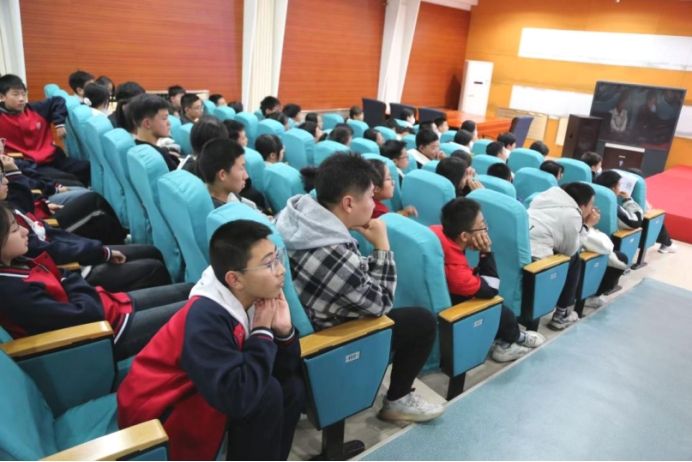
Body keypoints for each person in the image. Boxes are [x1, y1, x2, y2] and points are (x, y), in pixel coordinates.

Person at [275, 153, 444, 423]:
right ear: (348, 203)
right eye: (370, 197)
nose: (373, 204)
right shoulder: (331, 252)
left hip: (312, 306)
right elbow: (381, 304)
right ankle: (398, 400)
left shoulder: (299, 212)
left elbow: (350, 270)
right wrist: (382, 246)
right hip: (331, 337)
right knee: (421, 322)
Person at [117, 220, 306, 460]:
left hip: (208, 385)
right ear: (234, 279)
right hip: (160, 411)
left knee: (292, 389)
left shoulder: (254, 296)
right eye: (269, 264)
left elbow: (284, 368)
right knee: (267, 395)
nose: (281, 270)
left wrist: (283, 331)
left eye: (277, 258)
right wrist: (261, 332)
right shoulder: (206, 318)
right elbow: (237, 398)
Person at [0, 202, 191, 360]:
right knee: (196, 311)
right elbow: (85, 314)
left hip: (107, 306)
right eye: (15, 230)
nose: (25, 231)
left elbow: (65, 276)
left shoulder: (19, 261)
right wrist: (70, 281)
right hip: (106, 334)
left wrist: (69, 281)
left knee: (189, 291)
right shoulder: (12, 292)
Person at [432, 197, 545, 362]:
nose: (485, 230)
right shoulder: (458, 274)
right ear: (464, 236)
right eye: (482, 225)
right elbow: (491, 289)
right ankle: (510, 342)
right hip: (452, 310)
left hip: (446, 290)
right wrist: (486, 252)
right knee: (499, 308)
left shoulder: (436, 231)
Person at [0, 74, 90, 186]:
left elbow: (58, 101)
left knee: (86, 168)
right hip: (30, 166)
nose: (21, 99)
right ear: (2, 96)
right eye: (15, 94)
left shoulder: (35, 109)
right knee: (72, 182)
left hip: (53, 158)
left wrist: (59, 124)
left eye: (23, 94)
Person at [528, 183, 596, 330]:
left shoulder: (543, 197)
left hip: (524, 250)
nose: (592, 209)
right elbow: (570, 250)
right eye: (591, 204)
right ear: (582, 205)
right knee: (574, 259)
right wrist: (587, 226)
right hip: (537, 262)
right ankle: (561, 314)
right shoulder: (572, 215)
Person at [198, 137, 256, 210]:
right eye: (241, 168)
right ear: (222, 175)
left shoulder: (231, 197)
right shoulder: (229, 214)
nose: (246, 176)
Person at [129, 94, 180, 171]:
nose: (169, 123)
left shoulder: (135, 148)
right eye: (164, 118)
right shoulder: (159, 156)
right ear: (147, 123)